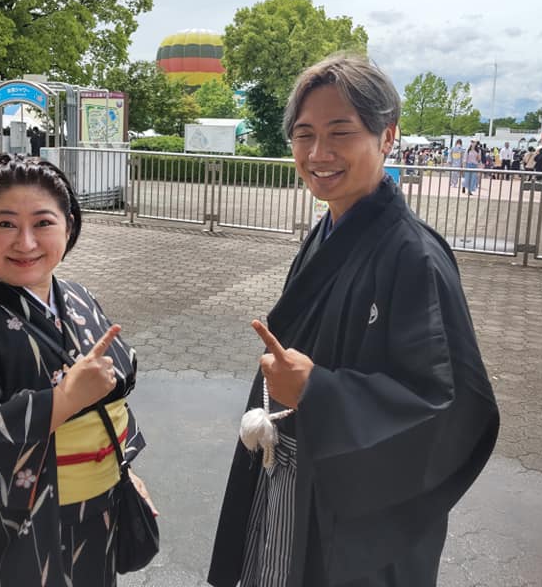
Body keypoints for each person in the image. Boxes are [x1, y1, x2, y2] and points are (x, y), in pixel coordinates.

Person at [208, 54, 499, 587]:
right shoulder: (325, 234)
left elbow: (451, 410)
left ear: (387, 136)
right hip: (293, 475)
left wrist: (317, 391)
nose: (319, 153)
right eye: (304, 135)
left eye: (340, 132)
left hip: (360, 517)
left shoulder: (415, 257)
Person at [0, 154, 155, 587]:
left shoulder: (79, 298)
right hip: (17, 535)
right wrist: (64, 400)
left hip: (97, 516)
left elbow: (109, 406)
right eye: (5, 224)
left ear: (68, 226)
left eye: (43, 223)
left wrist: (122, 469)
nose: (26, 242)